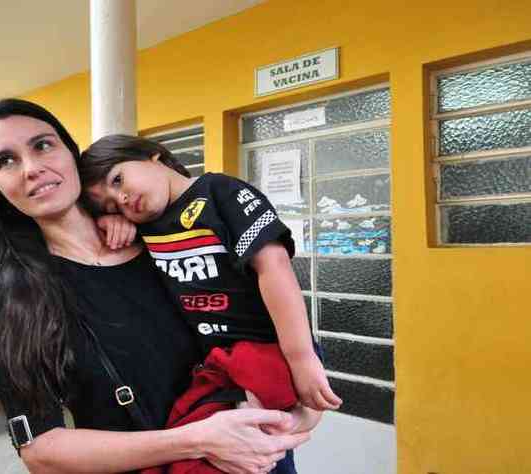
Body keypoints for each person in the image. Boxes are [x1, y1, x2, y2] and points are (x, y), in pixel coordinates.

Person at [0, 98, 312, 474]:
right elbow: (42, 451)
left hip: (257, 457)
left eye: (42, 145)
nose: (31, 168)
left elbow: (267, 323)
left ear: (70, 153)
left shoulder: (165, 239)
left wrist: (298, 412)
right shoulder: (14, 291)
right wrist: (199, 439)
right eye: (5, 161)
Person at [80, 135, 342, 472]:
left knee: (255, 450)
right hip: (217, 367)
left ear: (152, 154)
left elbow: (273, 266)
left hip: (270, 350)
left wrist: (301, 357)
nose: (124, 199)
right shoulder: (145, 228)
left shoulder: (220, 192)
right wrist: (107, 220)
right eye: (113, 204)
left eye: (118, 180)